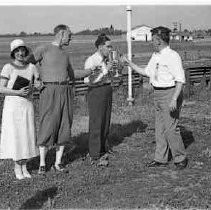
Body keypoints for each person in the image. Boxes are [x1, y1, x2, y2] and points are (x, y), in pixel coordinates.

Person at [123, 26, 188, 170]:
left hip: (170, 93)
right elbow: (146, 72)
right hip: (157, 93)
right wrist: (130, 64)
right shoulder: (155, 55)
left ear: (159, 41)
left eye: (153, 40)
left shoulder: (173, 56)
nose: (151, 42)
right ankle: (160, 158)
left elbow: (180, 80)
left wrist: (174, 99)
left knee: (171, 128)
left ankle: (180, 157)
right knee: (160, 128)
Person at [28, 24, 76, 174]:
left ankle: (58, 162)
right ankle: (42, 164)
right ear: (61, 34)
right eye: (69, 35)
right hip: (48, 91)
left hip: (65, 90)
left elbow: (72, 73)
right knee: (47, 123)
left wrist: (91, 70)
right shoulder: (44, 49)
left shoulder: (66, 54)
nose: (71, 37)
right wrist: (36, 79)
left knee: (64, 124)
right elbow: (27, 65)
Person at [0, 39, 40, 179]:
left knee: (26, 134)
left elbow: (37, 83)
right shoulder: (8, 68)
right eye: (17, 51)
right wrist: (17, 92)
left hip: (27, 105)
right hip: (13, 106)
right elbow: (1, 88)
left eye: (22, 50)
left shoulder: (32, 67)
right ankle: (17, 166)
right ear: (13, 53)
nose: (20, 53)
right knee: (16, 135)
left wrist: (36, 86)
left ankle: (25, 165)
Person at [84, 33, 118, 166]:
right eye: (108, 47)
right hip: (96, 92)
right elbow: (88, 80)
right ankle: (94, 153)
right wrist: (105, 71)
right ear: (99, 47)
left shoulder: (106, 60)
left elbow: (112, 76)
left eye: (111, 47)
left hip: (106, 90)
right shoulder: (91, 60)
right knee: (96, 122)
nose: (110, 49)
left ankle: (104, 148)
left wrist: (115, 70)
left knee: (106, 120)